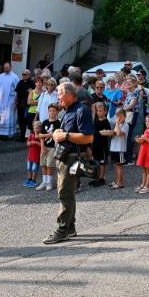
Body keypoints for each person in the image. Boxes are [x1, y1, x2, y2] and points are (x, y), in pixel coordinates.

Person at [42, 83, 95, 244]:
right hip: (64, 157)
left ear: (70, 94)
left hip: (71, 159)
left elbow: (88, 138)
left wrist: (65, 135)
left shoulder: (81, 110)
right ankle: (70, 227)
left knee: (64, 193)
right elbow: (67, 132)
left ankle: (62, 230)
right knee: (68, 193)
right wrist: (58, 132)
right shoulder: (68, 110)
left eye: (60, 94)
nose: (58, 97)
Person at [36, 104, 61, 191]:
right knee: (43, 164)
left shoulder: (58, 122)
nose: (52, 113)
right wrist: (42, 146)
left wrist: (43, 135)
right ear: (48, 112)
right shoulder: (45, 122)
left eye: (54, 111)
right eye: (50, 111)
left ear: (57, 112)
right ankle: (44, 182)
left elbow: (54, 134)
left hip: (52, 147)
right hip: (45, 147)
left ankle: (49, 183)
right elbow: (41, 136)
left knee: (50, 165)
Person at [89, 102, 111, 187]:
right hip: (95, 144)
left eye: (101, 111)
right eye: (97, 111)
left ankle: (102, 178)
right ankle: (96, 177)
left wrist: (105, 132)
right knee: (96, 161)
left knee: (102, 162)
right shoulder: (96, 119)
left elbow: (109, 132)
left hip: (102, 145)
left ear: (105, 111)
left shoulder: (106, 121)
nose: (99, 112)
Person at [108, 108, 130, 189]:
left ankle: (120, 183)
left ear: (125, 117)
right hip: (114, 147)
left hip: (120, 148)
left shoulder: (125, 125)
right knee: (115, 165)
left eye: (120, 117)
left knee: (119, 166)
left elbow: (119, 133)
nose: (118, 119)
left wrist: (117, 124)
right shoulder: (117, 125)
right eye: (117, 117)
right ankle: (116, 181)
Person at [15, 69, 35, 141]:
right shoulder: (20, 82)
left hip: (28, 105)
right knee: (20, 120)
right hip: (20, 103)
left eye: (25, 74)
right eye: (22, 74)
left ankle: (28, 137)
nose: (23, 75)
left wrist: (31, 91)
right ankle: (21, 136)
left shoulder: (32, 83)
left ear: (29, 75)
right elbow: (17, 93)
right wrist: (16, 102)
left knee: (27, 121)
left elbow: (35, 93)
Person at [25, 121, 43, 188]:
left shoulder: (41, 136)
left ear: (40, 129)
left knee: (34, 169)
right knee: (29, 168)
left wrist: (35, 142)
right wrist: (30, 143)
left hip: (36, 156)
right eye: (35, 128)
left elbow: (42, 145)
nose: (36, 129)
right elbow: (27, 143)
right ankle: (29, 179)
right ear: (33, 128)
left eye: (38, 128)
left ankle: (34, 180)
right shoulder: (30, 135)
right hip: (30, 156)